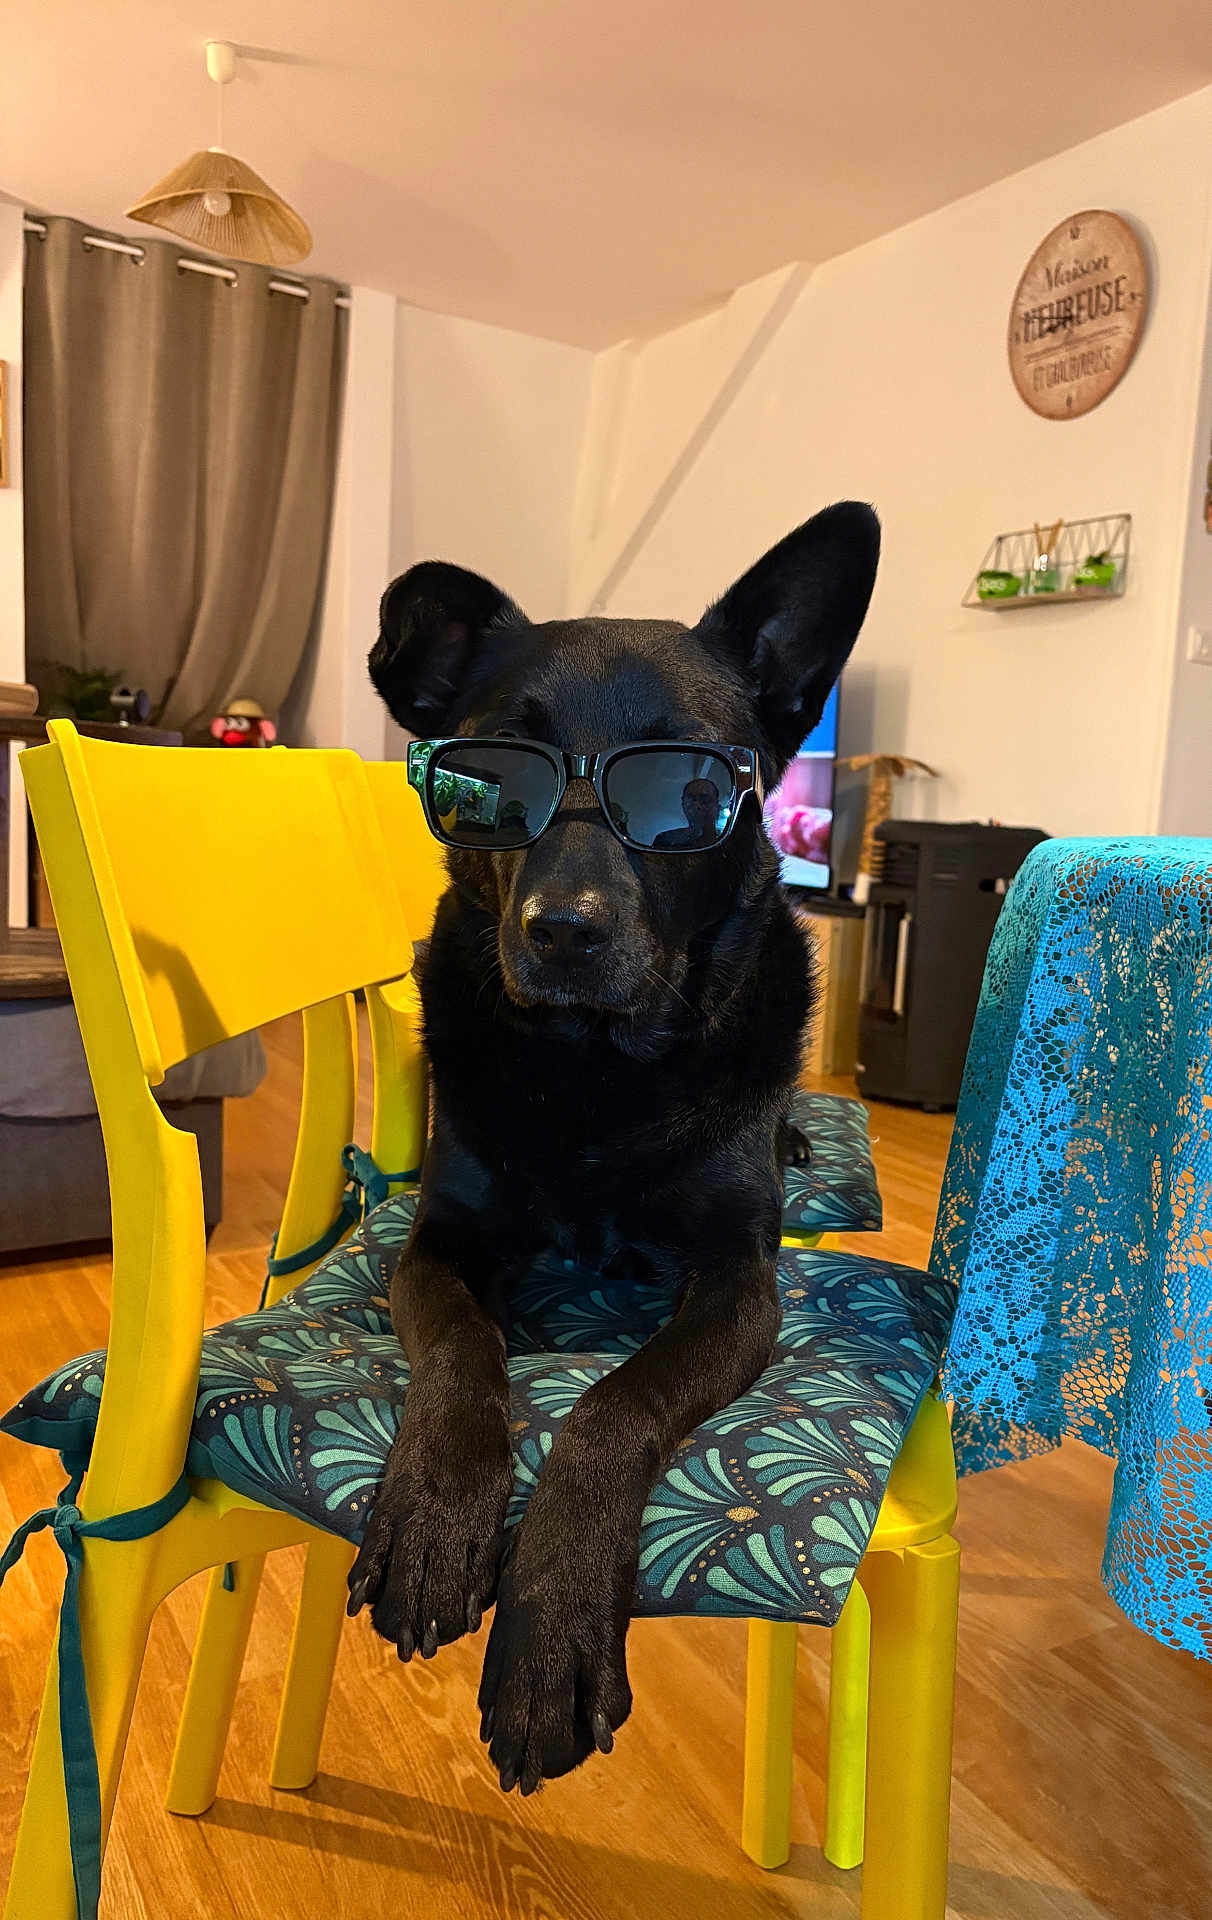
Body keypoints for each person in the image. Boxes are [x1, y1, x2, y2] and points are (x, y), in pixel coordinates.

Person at [653, 777, 721, 848]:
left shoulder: (727, 841)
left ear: (717, 807)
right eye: (690, 801)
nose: (697, 805)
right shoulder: (665, 840)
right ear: (683, 806)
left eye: (705, 800)